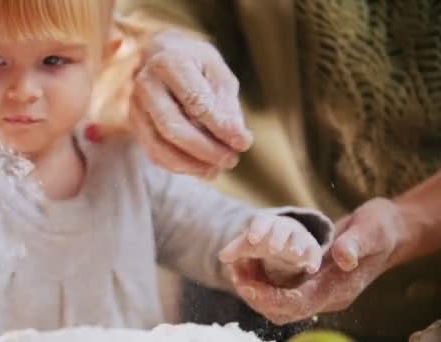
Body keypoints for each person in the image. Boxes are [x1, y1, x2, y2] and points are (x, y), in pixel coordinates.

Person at [0, 0, 339, 341]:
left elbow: (217, 237)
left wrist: (274, 243)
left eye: (53, 60)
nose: (24, 90)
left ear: (104, 55)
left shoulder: (127, 167)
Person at [97, 1, 441, 341]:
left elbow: (213, 231)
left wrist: (284, 239)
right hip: (250, 277)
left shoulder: (119, 170)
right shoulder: (119, 166)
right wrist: (169, 38)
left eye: (55, 61)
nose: (39, 93)